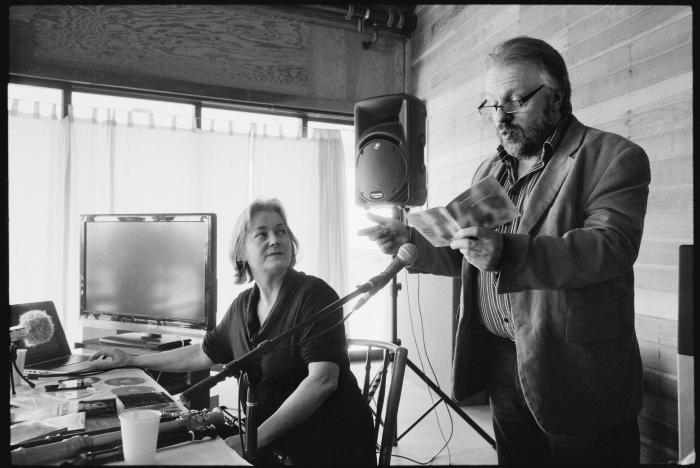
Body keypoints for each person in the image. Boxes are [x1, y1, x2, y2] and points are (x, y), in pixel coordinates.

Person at [359, 36, 649, 465]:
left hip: (577, 372)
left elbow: (610, 247)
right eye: (492, 104)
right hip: (503, 367)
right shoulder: (493, 168)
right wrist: (412, 242)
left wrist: (509, 254)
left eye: (514, 101)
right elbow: (467, 253)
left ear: (556, 98)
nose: (501, 117)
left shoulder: (612, 156)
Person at [90, 198, 376, 466]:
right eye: (261, 234)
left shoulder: (314, 295)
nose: (275, 240)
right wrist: (131, 360)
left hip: (326, 448)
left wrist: (252, 441)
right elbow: (203, 353)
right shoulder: (243, 306)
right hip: (268, 443)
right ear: (241, 252)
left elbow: (322, 381)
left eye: (282, 232)